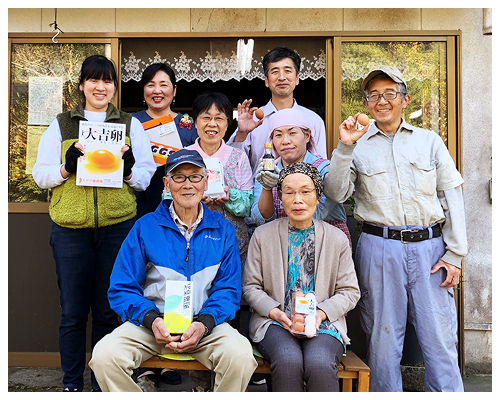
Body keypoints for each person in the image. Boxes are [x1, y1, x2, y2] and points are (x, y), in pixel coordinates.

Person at [323, 66, 467, 392]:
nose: (382, 100)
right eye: (374, 95)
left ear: (405, 99)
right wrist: (344, 147)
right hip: (379, 246)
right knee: (383, 340)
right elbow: (335, 193)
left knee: (440, 337)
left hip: (431, 249)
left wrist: (456, 253)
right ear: (367, 102)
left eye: (390, 93)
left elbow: (451, 195)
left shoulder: (429, 141)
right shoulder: (357, 145)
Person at [32, 55, 156, 392]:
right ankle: (72, 384)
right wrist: (65, 167)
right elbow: (39, 176)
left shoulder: (130, 125)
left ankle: (102, 383)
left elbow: (146, 178)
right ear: (83, 85)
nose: (100, 87)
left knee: (106, 310)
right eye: (93, 80)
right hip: (71, 230)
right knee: (73, 311)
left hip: (117, 229)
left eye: (107, 81)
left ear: (115, 87)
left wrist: (129, 168)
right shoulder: (61, 125)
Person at [89, 149, 257, 392]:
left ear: (206, 182)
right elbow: (122, 287)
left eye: (195, 177)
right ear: (166, 184)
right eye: (178, 177)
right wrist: (151, 319)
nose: (187, 185)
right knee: (104, 356)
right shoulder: (145, 227)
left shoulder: (222, 229)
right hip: (151, 324)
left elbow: (229, 290)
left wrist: (204, 323)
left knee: (241, 356)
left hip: (204, 324)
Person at [242, 162, 360, 392]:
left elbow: (350, 291)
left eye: (306, 191)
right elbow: (250, 287)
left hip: (324, 322)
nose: (298, 200)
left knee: (318, 362)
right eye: (289, 192)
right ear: (280, 197)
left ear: (318, 197)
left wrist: (321, 314)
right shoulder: (262, 235)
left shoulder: (336, 239)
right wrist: (275, 312)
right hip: (274, 321)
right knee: (288, 360)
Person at [250, 108, 351, 249]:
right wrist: (267, 188)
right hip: (282, 247)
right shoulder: (267, 169)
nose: (285, 141)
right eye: (278, 135)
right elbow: (260, 220)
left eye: (292, 133)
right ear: (272, 141)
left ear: (307, 136)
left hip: (326, 246)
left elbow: (317, 213)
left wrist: (283, 186)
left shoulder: (324, 169)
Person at [227, 46, 327, 177]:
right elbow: (232, 166)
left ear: (297, 78)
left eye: (287, 71)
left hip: (300, 195)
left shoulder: (312, 120)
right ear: (266, 81)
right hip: (259, 194)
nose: (281, 77)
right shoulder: (254, 119)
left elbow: (320, 167)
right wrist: (242, 133)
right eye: (275, 71)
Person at [186, 92, 253, 266]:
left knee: (230, 289)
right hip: (190, 243)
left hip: (233, 244)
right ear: (195, 122)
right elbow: (168, 199)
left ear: (227, 123)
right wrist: (194, 200)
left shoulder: (238, 157)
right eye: (206, 117)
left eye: (219, 118)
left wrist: (230, 196)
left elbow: (249, 204)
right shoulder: (183, 157)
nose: (212, 124)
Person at [133, 63, 198, 218]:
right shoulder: (132, 122)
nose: (157, 91)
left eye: (163, 85)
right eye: (150, 85)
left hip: (179, 203)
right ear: (143, 90)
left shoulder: (187, 124)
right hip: (137, 201)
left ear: (174, 90)